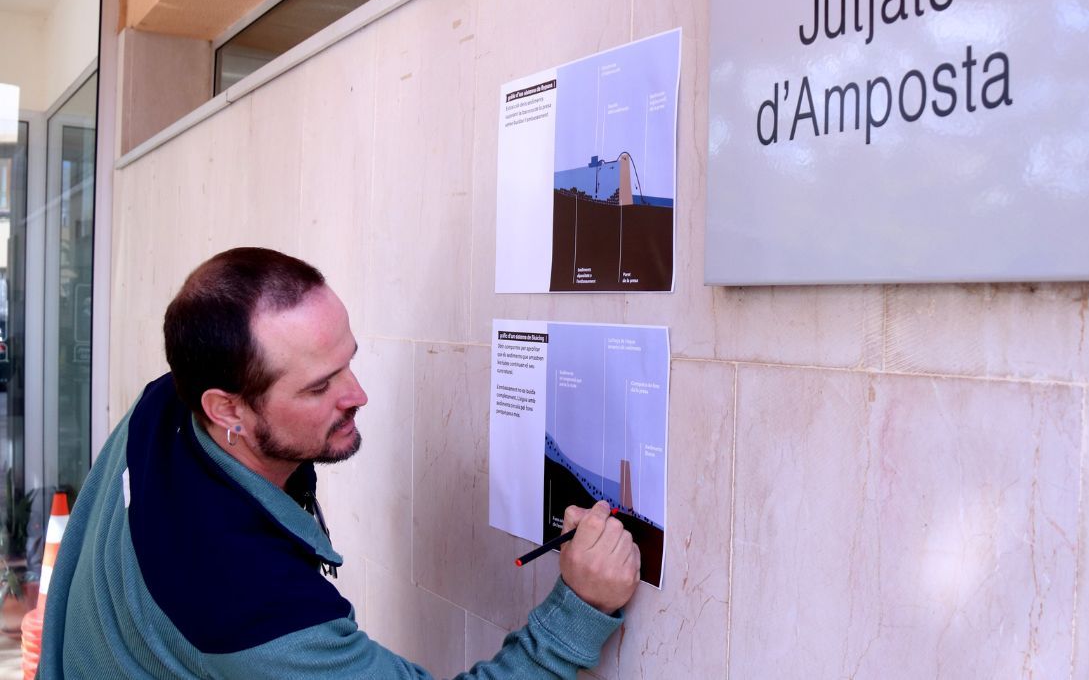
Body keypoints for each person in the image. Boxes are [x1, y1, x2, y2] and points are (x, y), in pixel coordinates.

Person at [37, 247, 640, 679]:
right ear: (228, 410)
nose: (357, 395)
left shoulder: (164, 402)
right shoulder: (248, 608)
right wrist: (579, 610)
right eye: (319, 386)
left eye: (349, 360)